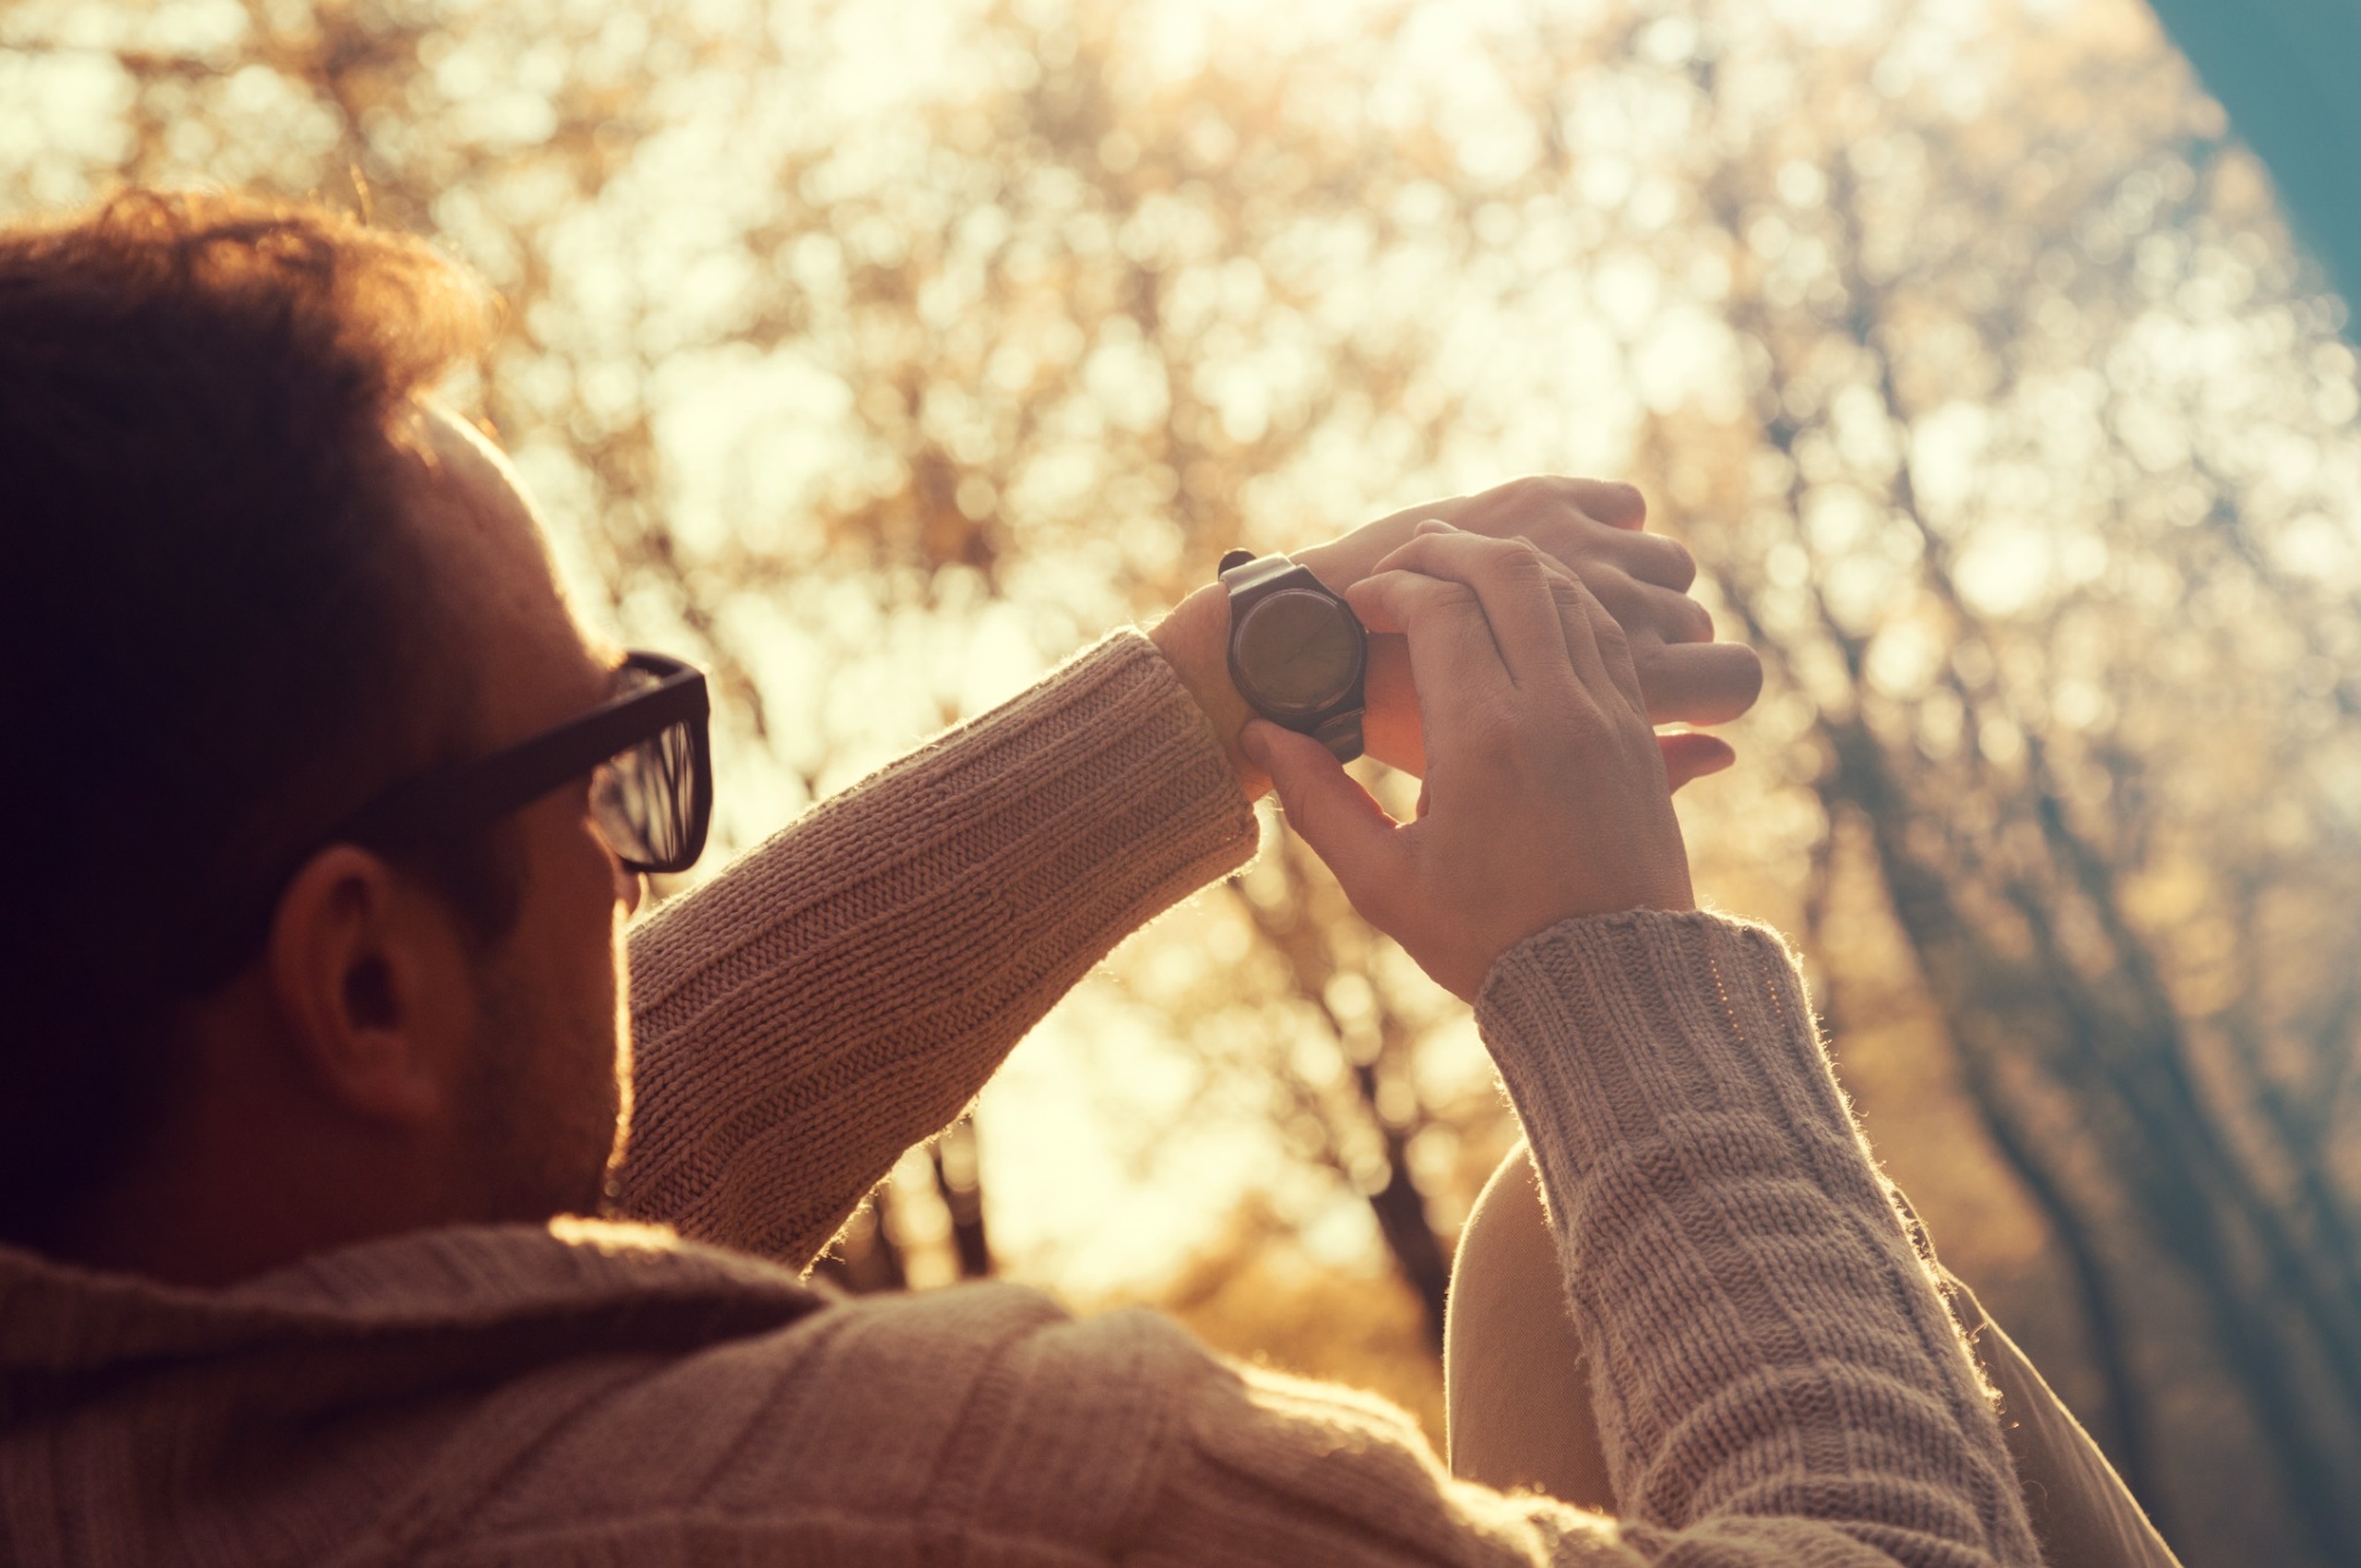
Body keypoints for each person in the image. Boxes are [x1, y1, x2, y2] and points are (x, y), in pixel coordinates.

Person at [0, 190, 2165, 1565]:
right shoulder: (947, 1501)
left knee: (1537, 1256)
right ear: (364, 984)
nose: (637, 885)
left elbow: (600, 1163)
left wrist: (1202, 696)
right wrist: (1620, 975)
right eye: (604, 763)